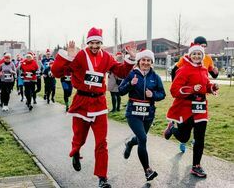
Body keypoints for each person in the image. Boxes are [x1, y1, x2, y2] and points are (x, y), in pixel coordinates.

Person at [51, 27, 136, 188]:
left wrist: (130, 59)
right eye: (92, 43)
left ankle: (102, 177)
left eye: (98, 43)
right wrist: (68, 57)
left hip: (99, 104)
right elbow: (56, 73)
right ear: (88, 43)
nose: (95, 46)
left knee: (102, 142)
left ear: (101, 43)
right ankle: (75, 152)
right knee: (79, 138)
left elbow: (121, 72)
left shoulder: (107, 57)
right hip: (82, 102)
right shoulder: (80, 55)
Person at [164, 44, 219, 178]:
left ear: (202, 56)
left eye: (199, 54)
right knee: (184, 137)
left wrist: (212, 87)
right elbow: (174, 90)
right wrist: (191, 89)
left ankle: (196, 166)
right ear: (190, 55)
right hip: (186, 108)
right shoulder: (183, 70)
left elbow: (204, 86)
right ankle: (172, 129)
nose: (196, 56)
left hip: (200, 108)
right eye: (194, 54)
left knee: (199, 138)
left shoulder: (204, 69)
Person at [119, 49, 166, 181]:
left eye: (148, 60)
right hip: (133, 114)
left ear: (151, 62)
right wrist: (130, 84)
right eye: (143, 60)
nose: (145, 62)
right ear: (139, 61)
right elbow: (121, 91)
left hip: (148, 114)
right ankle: (147, 170)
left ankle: (129, 143)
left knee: (141, 138)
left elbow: (162, 94)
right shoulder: (132, 74)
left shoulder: (155, 77)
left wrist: (153, 95)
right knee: (143, 139)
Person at [171, 36, 219, 152]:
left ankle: (195, 147)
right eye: (200, 45)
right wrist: (182, 89)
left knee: (199, 129)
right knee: (185, 131)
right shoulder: (186, 58)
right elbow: (174, 71)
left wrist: (214, 79)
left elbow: (212, 74)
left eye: (204, 47)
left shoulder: (207, 58)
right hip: (187, 95)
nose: (202, 49)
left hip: (201, 97)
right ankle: (182, 141)